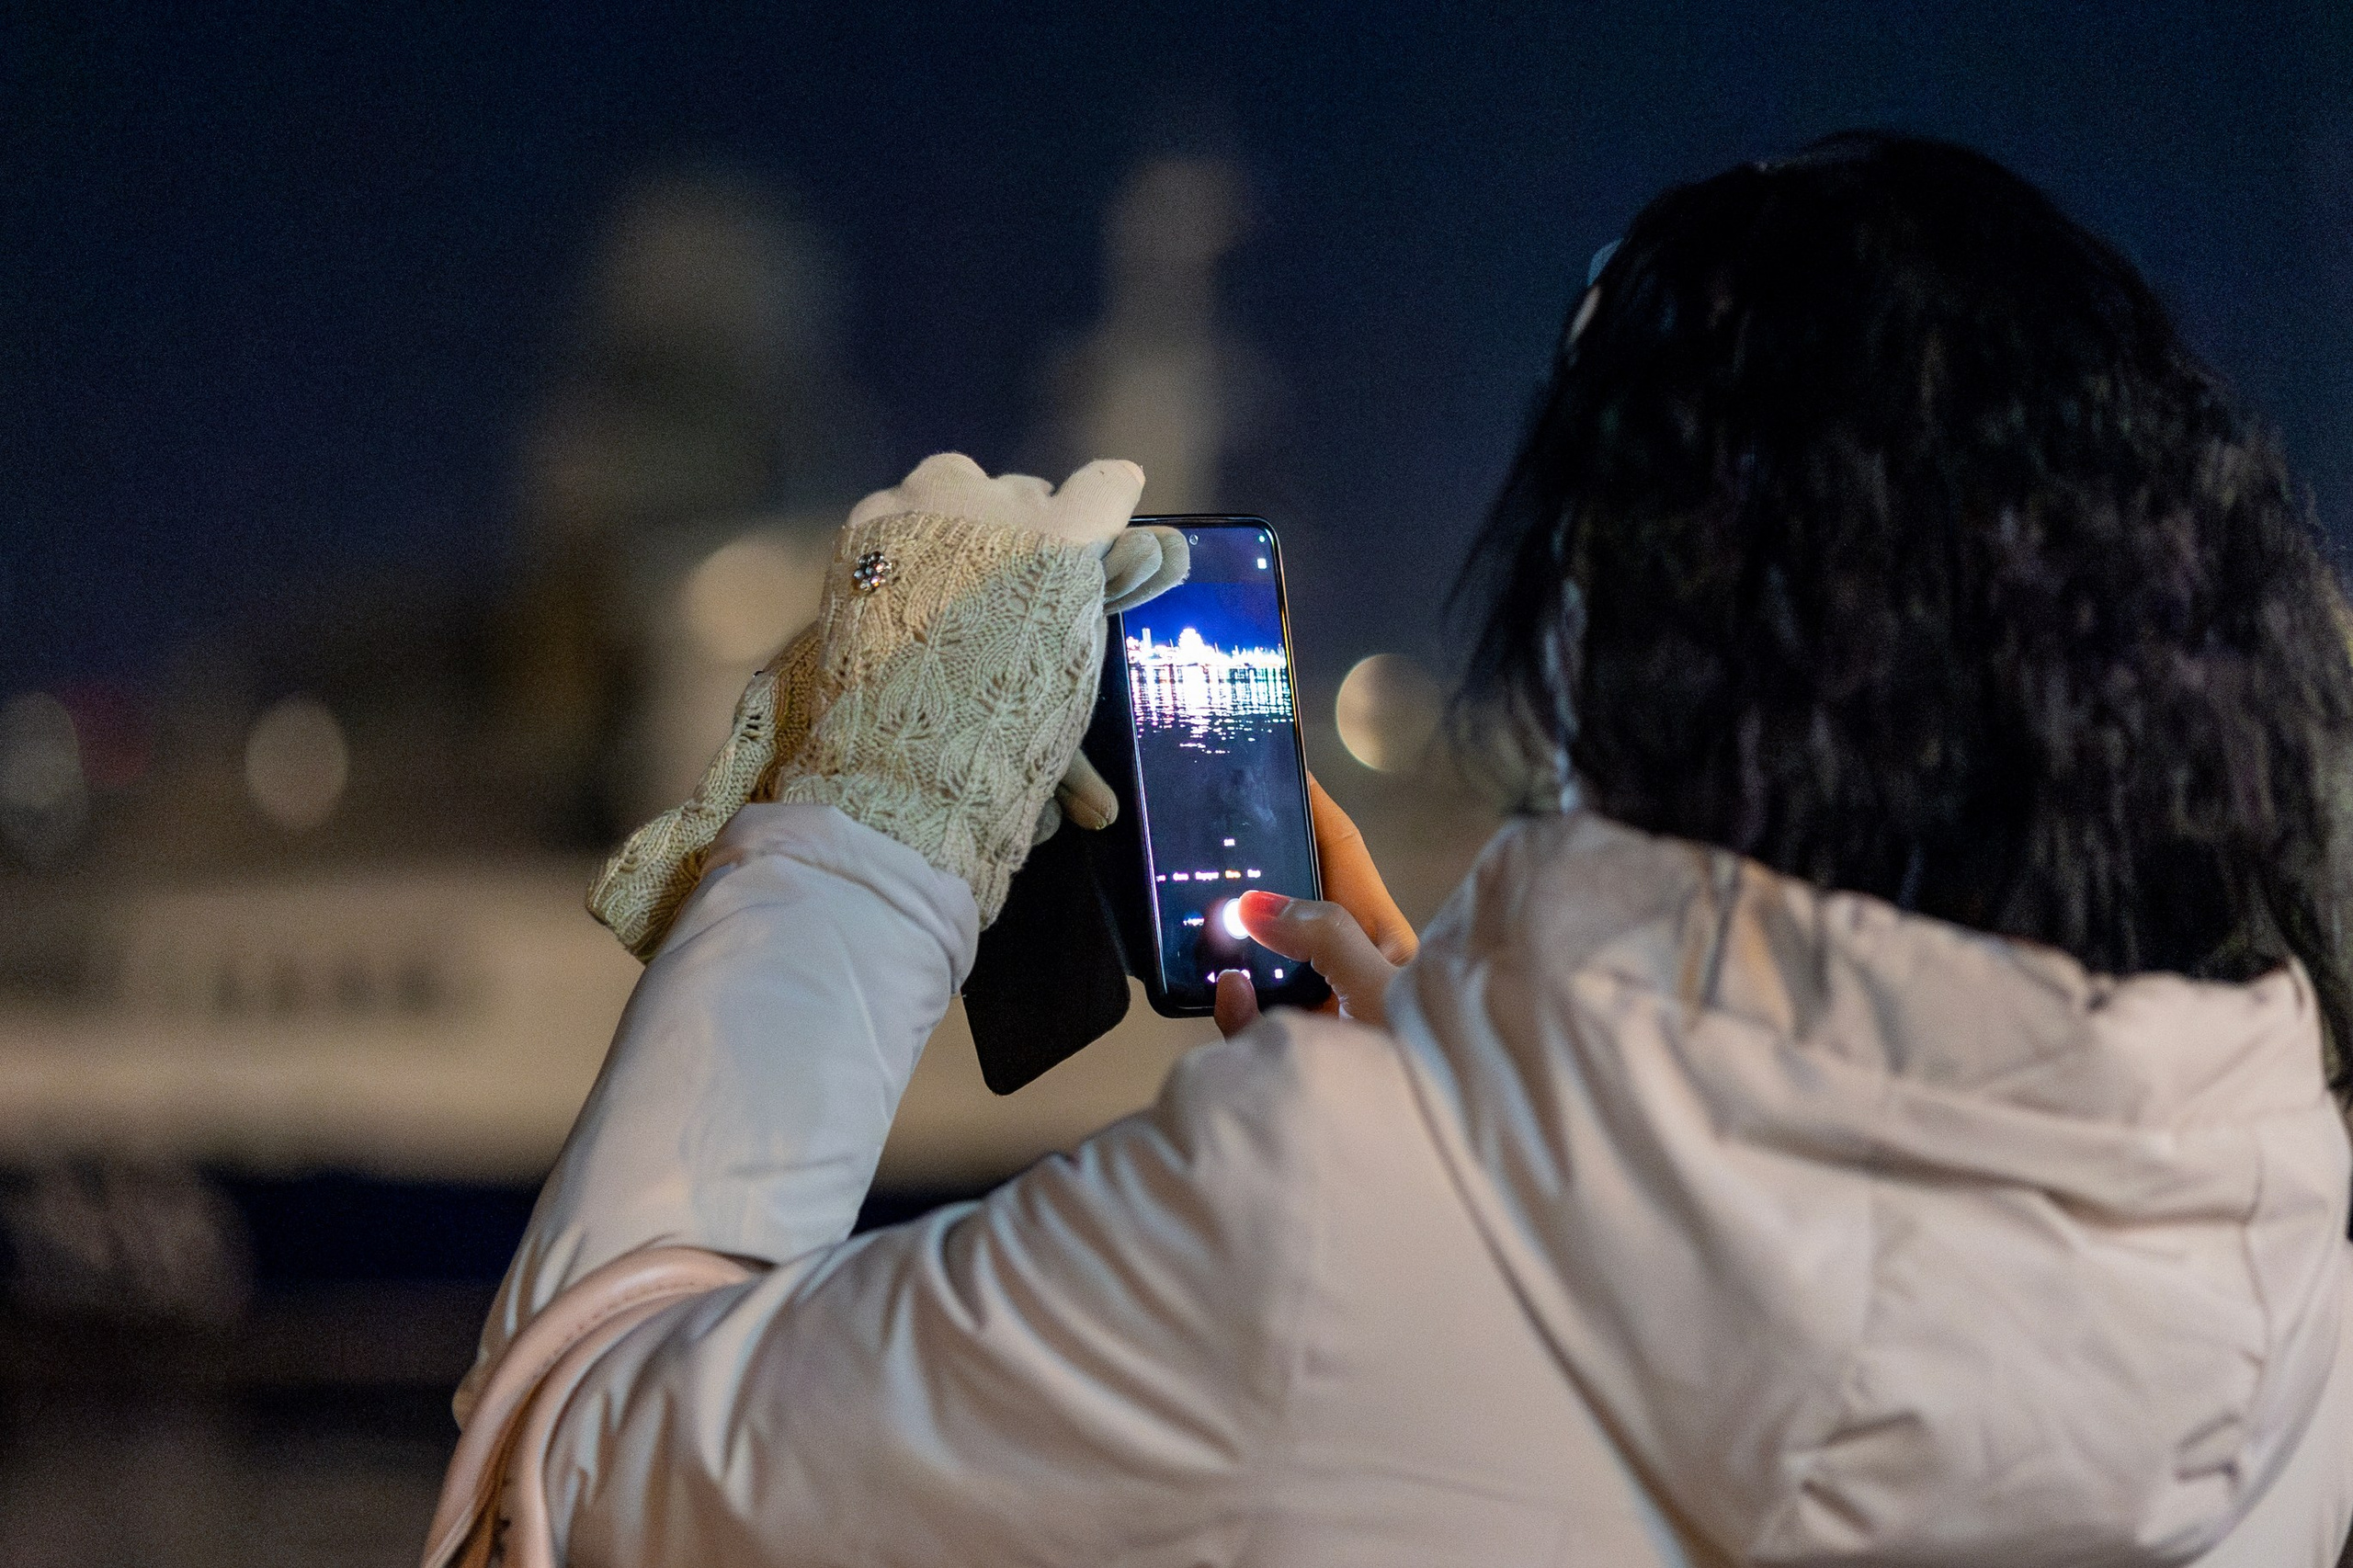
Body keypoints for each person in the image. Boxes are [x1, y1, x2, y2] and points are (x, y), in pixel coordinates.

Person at [422, 134, 2353, 1568]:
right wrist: (1498, 1069)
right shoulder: (2271, 1247)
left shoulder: (1308, 1223)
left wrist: (871, 821)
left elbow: (566, 1494)